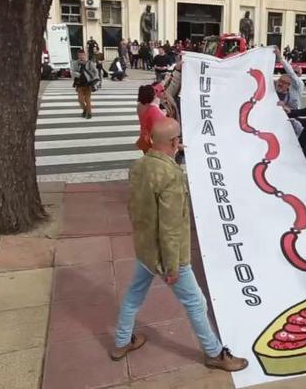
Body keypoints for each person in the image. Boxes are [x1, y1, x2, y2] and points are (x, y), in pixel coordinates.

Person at [111, 118, 248, 371]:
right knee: (196, 303)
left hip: (145, 249)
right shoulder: (171, 175)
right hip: (169, 255)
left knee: (133, 295)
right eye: (177, 141)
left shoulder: (138, 165)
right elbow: (171, 227)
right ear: (174, 142)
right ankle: (214, 353)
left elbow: (134, 208)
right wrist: (172, 266)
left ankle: (121, 342)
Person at [136, 83, 167, 152]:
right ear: (154, 94)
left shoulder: (140, 105)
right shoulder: (153, 110)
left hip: (145, 137)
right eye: (162, 91)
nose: (164, 92)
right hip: (153, 141)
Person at [71, 49, 99, 119]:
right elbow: (72, 72)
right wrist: (79, 74)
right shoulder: (75, 63)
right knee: (80, 100)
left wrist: (94, 80)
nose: (81, 57)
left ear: (85, 55)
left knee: (87, 99)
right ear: (78, 55)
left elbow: (96, 72)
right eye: (79, 55)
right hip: (79, 84)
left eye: (82, 55)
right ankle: (85, 110)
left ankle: (89, 113)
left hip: (88, 84)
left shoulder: (89, 63)